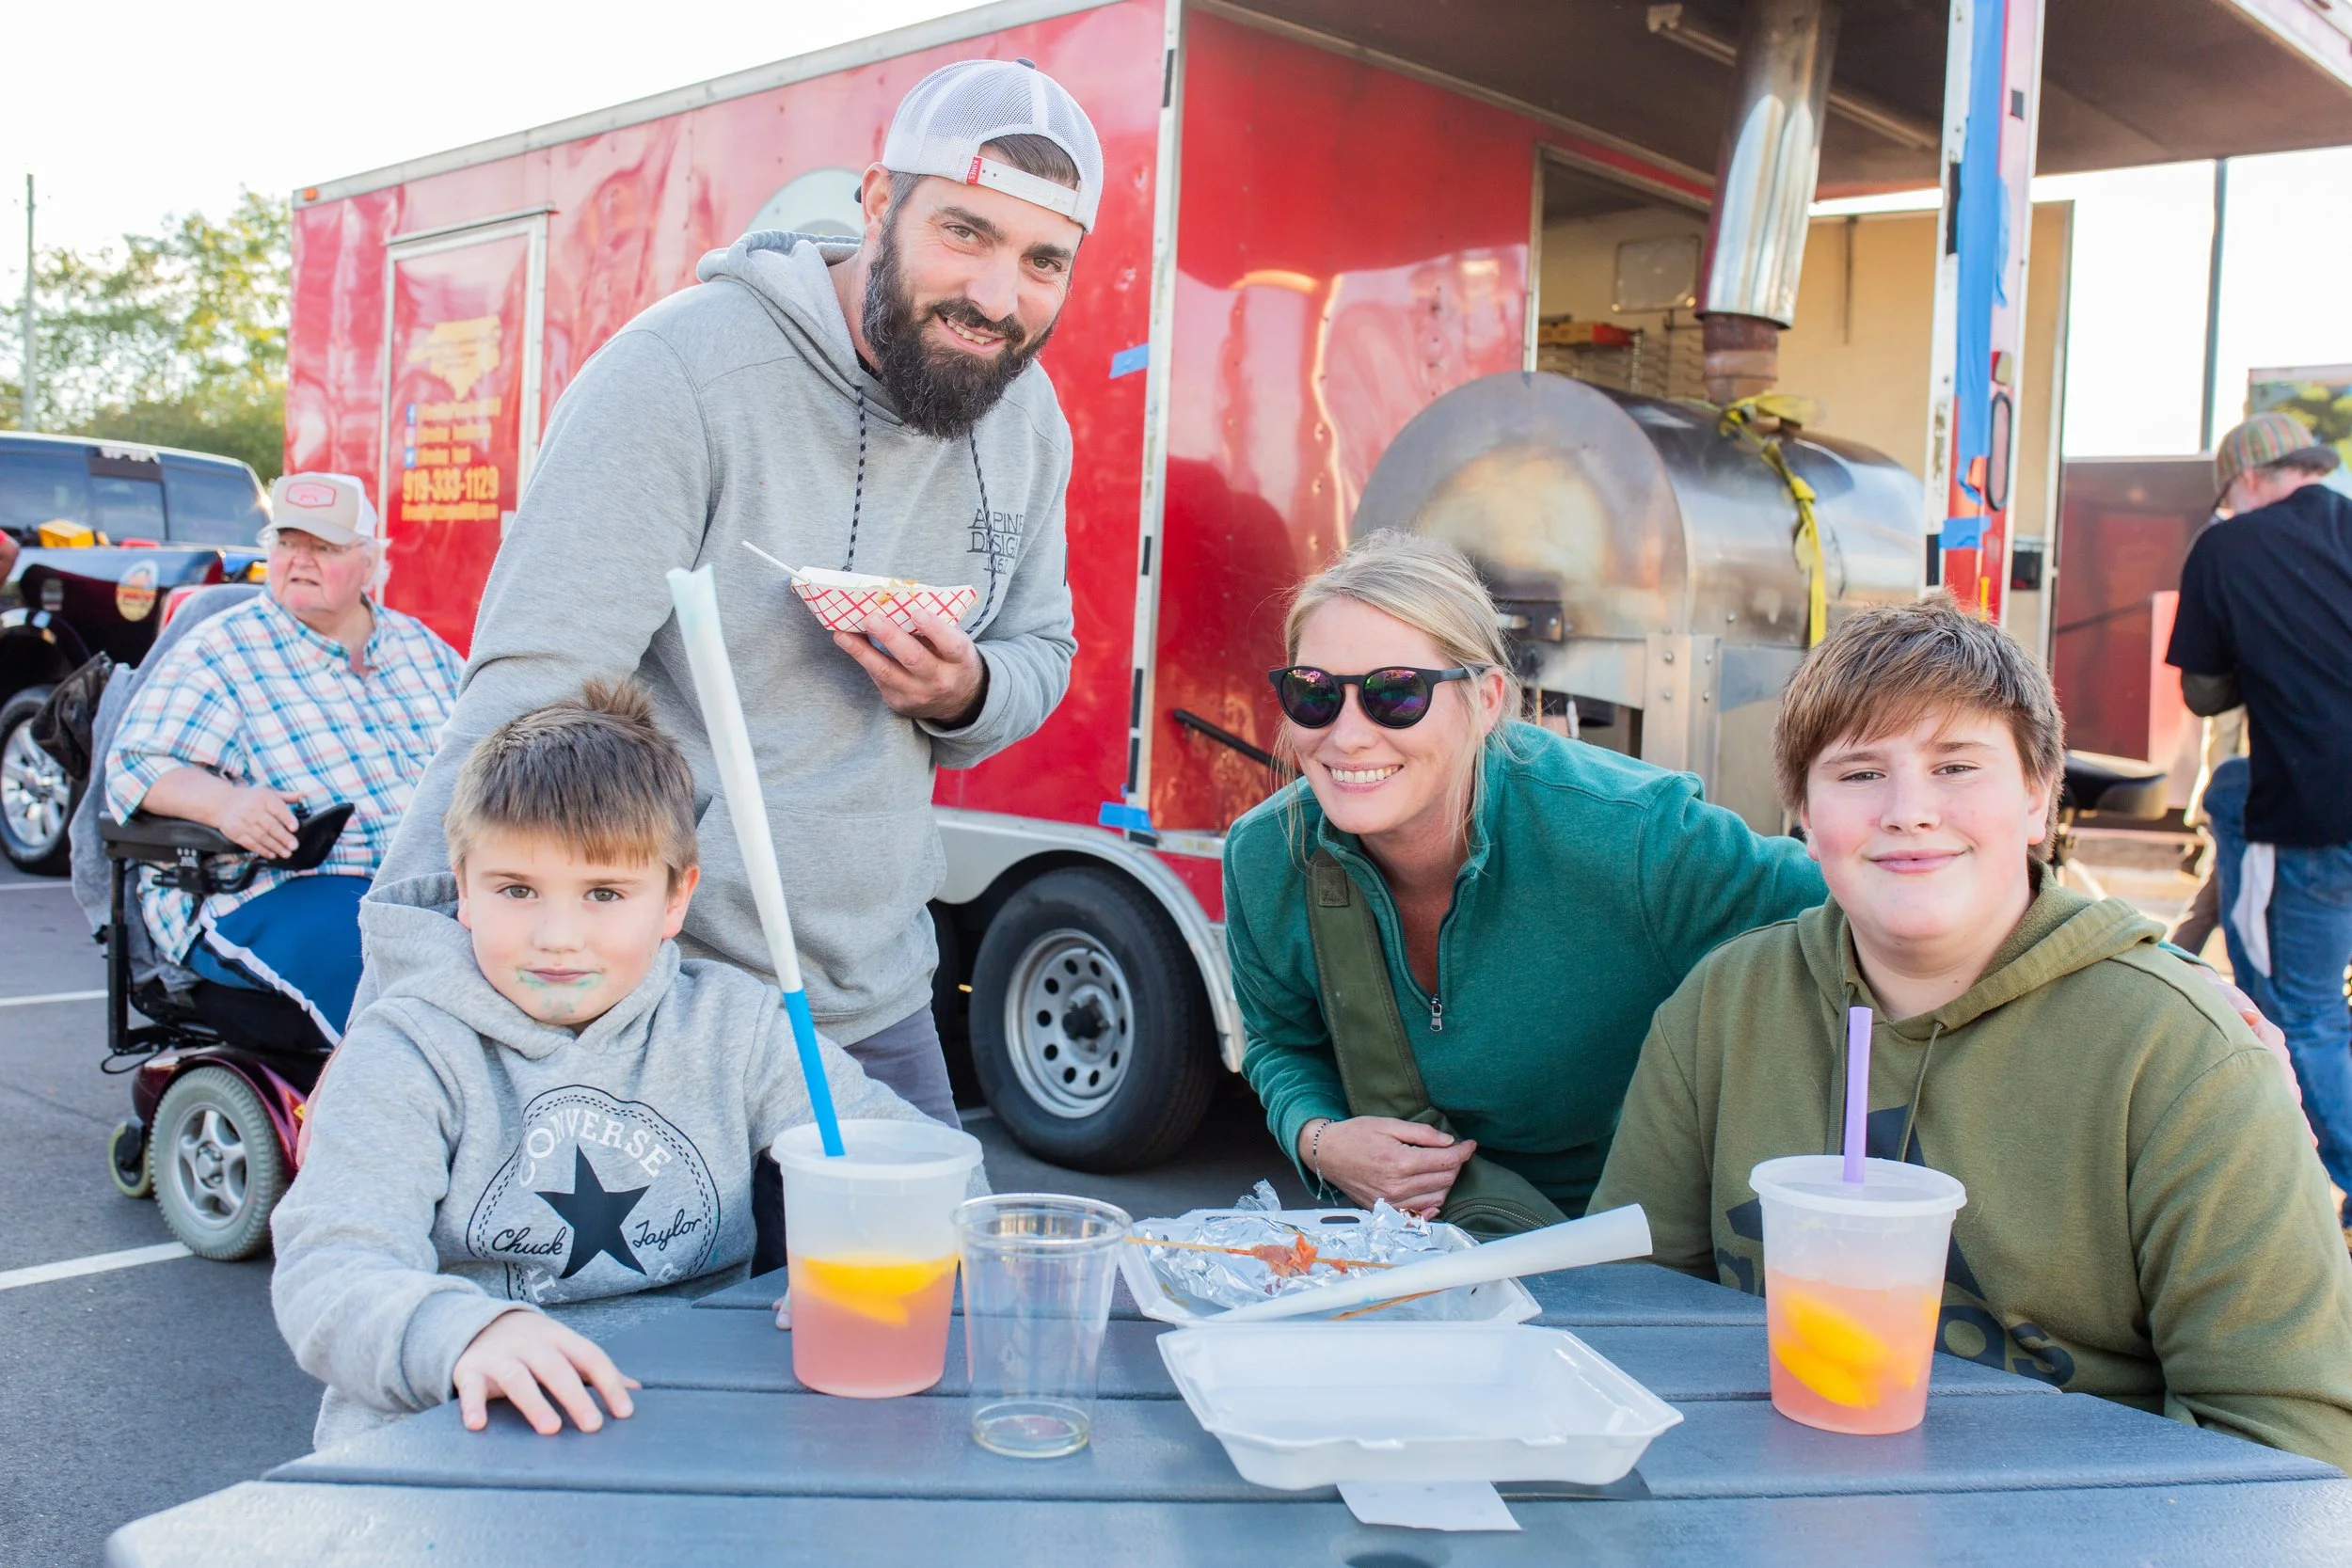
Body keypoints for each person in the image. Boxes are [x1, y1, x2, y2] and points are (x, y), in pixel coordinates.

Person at [369, 58, 1099, 1146]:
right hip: (665, 1003)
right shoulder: (682, 373)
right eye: (966, 233)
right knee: (677, 1319)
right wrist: (398, 1014)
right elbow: (524, 706)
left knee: (927, 1307)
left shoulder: (1026, 418)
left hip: (879, 994)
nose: (1000, 297)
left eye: (1045, 259)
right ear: (878, 202)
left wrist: (967, 686)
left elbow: (1043, 645)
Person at [1589, 597, 2352, 1468]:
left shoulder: (2177, 1053)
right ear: (1801, 809)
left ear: (2038, 797)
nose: (1910, 810)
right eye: (1861, 772)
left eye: (1957, 766)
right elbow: (1635, 1306)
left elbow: (2290, 1443)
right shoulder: (1725, 1005)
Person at [272, 682, 950, 1449]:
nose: (558, 936)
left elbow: (904, 1152)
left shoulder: (739, 1024)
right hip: (448, 1439)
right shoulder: (407, 1051)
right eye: (517, 889)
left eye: (603, 891)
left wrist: (871, 1253)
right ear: (462, 889)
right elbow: (328, 1269)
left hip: (682, 1427)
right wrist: (462, 1333)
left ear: (674, 899)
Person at [1224, 532, 1828, 1233]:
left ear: (1486, 701)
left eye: (1395, 694)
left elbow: (1845, 914)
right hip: (1426, 1246)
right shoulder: (1267, 855)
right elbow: (1279, 1042)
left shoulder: (1632, 835)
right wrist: (1321, 1138)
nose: (1348, 736)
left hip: (1629, 1260)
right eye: (1315, 693)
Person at [103, 472, 459, 1046]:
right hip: (275, 887)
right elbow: (134, 765)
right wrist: (226, 803)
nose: (301, 560)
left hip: (432, 883)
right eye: (288, 543)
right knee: (399, 971)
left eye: (324, 547)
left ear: (371, 562)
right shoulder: (221, 651)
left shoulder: (422, 650)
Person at [2168, 411, 2352, 1232]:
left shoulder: (2228, 546)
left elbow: (2204, 692)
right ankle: (2184, 937)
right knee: (2235, 789)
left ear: (2243, 483)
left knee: (2302, 1012)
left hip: (2318, 811)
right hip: (2308, 798)